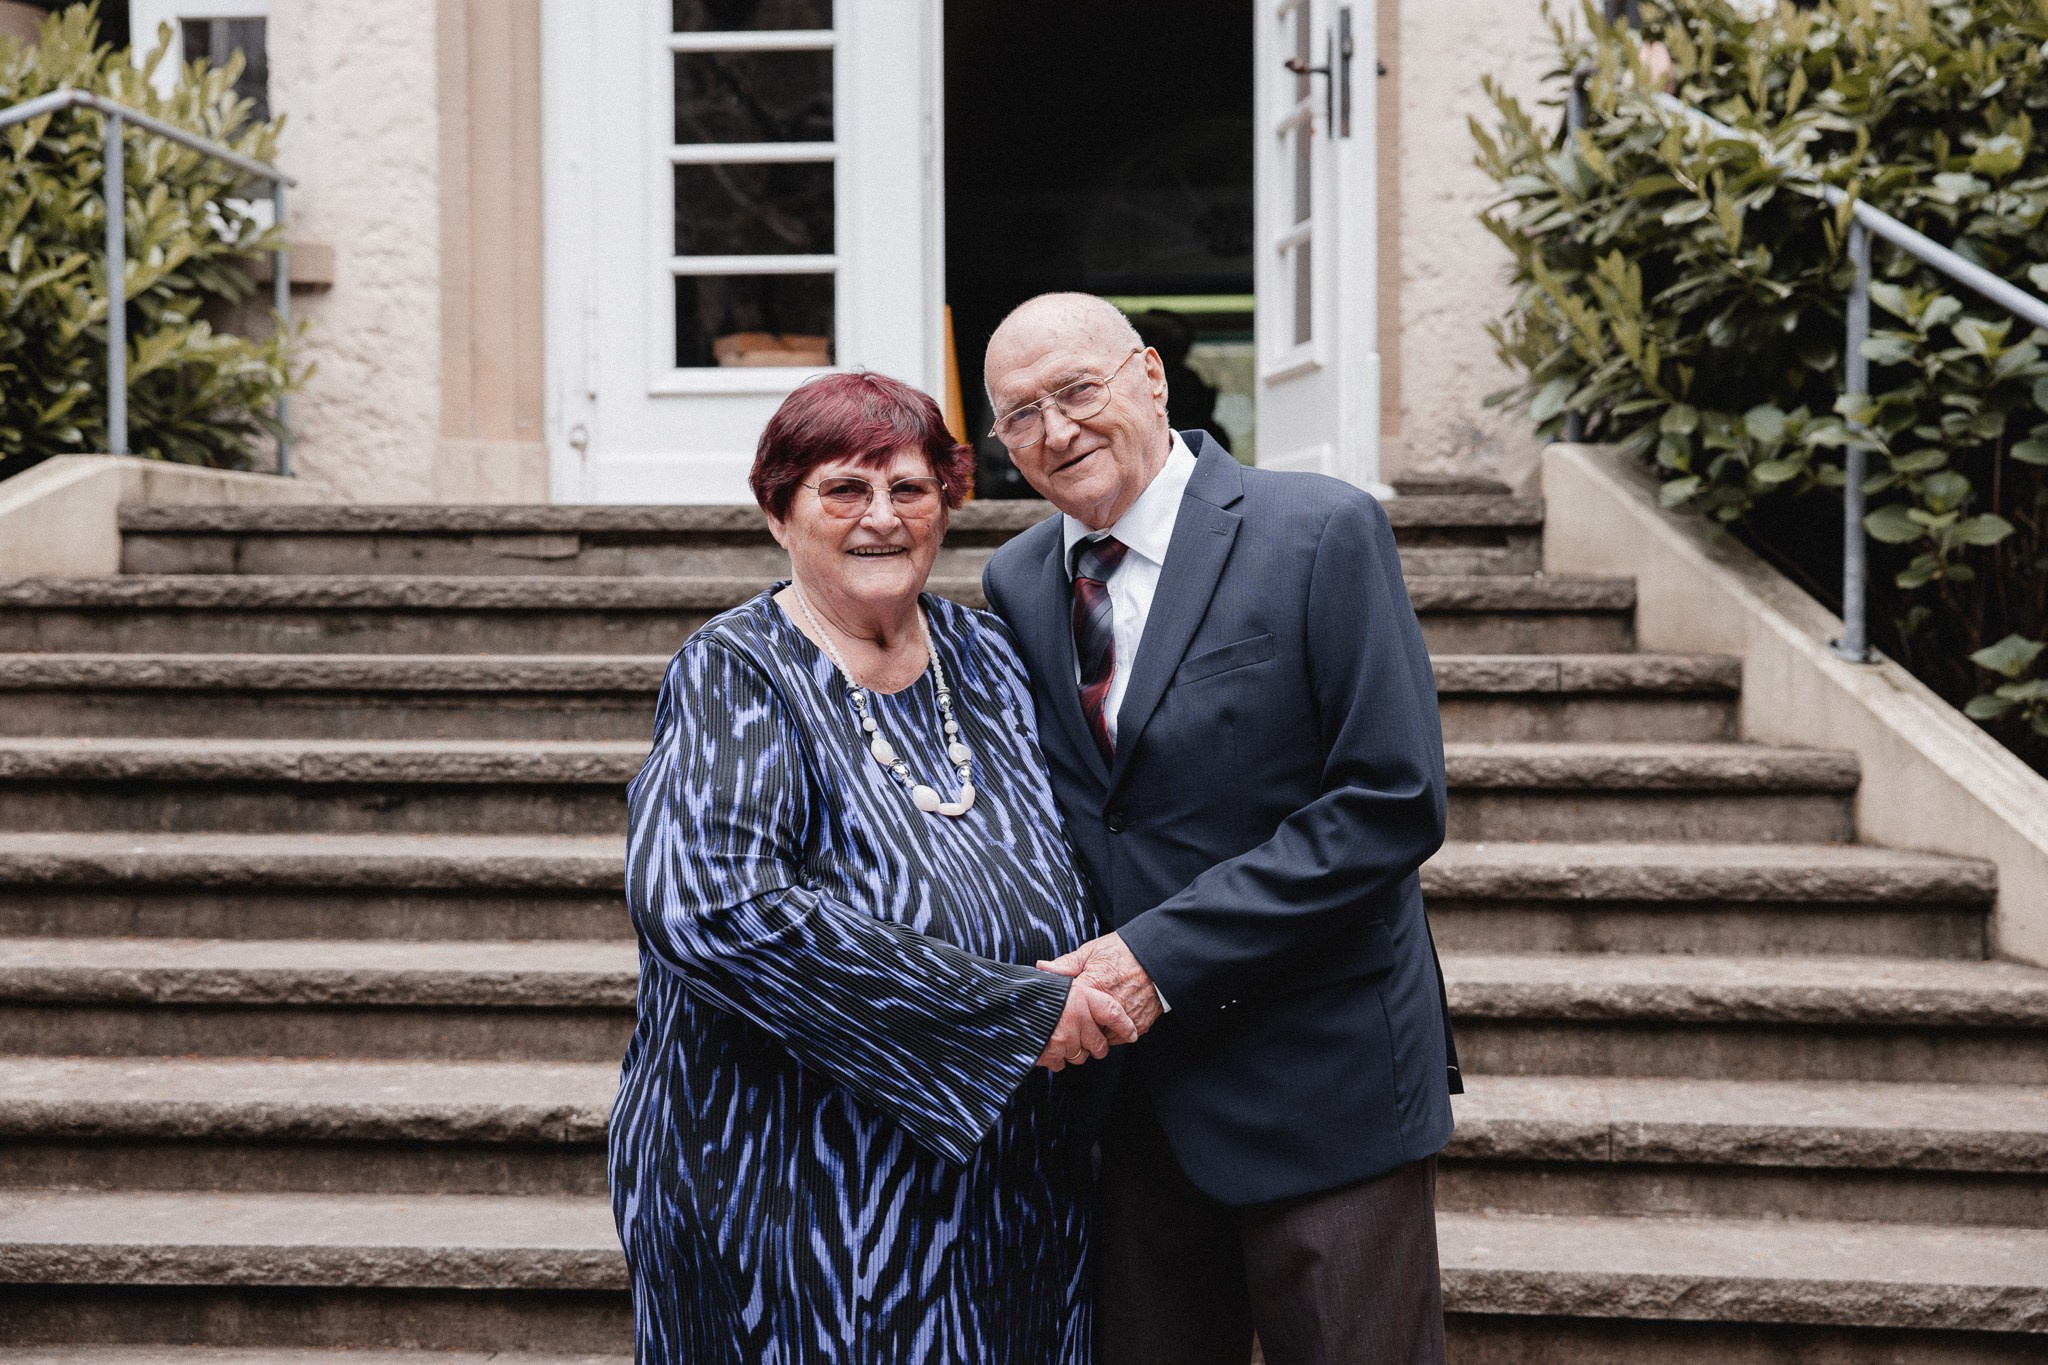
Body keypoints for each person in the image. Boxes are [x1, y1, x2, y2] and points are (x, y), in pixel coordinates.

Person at [609, 369, 1137, 1363]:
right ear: (780, 513)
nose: (879, 519)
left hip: (1006, 1179)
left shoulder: (991, 654)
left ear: (949, 503)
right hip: (786, 1184)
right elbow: (710, 906)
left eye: (909, 489)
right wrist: (1010, 1011)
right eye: (842, 490)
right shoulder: (737, 670)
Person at [980, 293, 1461, 1365]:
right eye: (1018, 415)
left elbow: (1388, 799)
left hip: (1321, 1079)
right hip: (1133, 1100)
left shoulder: (1318, 530)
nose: (1054, 432)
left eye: (1076, 391)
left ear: (1150, 376)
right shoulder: (1014, 581)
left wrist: (1160, 954)